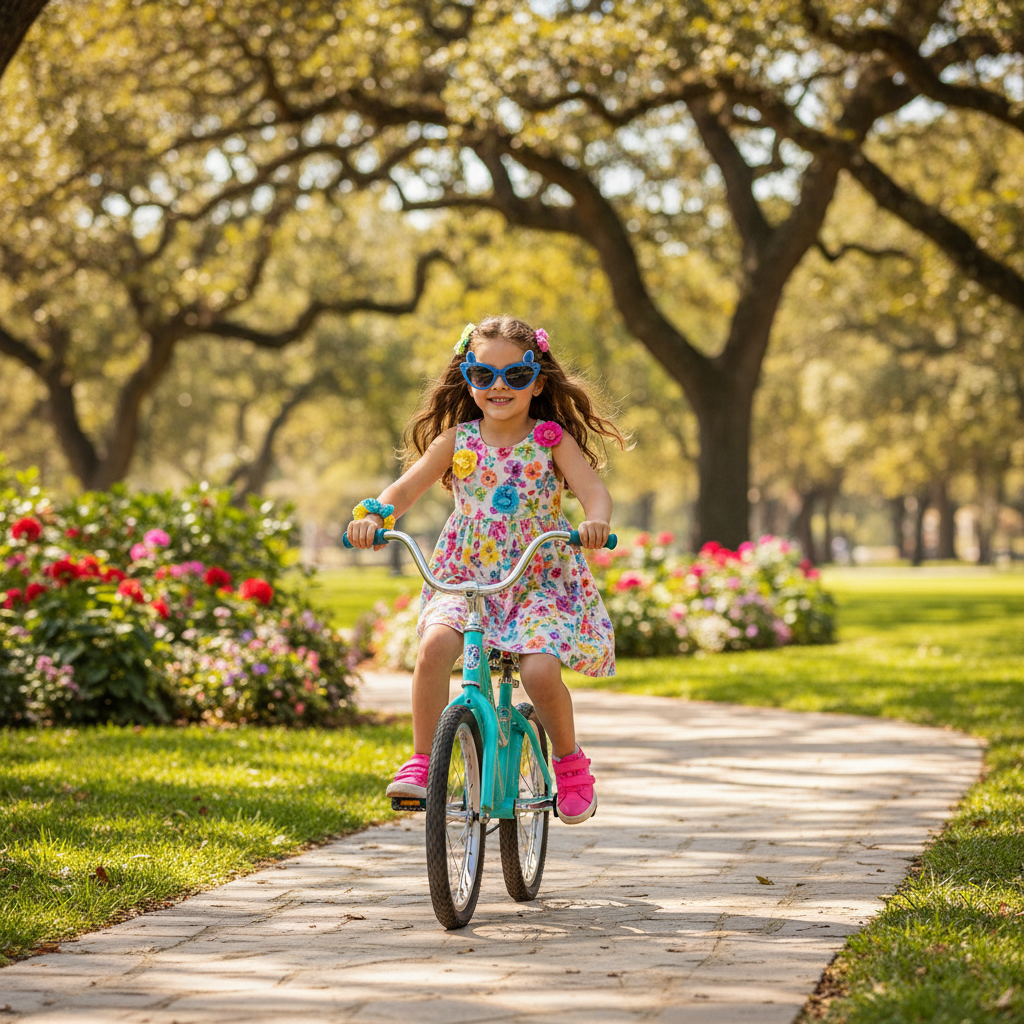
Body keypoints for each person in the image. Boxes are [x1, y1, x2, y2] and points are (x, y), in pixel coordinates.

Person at [346, 315, 627, 824]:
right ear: (468, 378)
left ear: (537, 382)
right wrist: (374, 516)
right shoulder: (456, 440)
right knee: (435, 646)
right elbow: (404, 490)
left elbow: (593, 491)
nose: (499, 386)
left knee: (539, 670)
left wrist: (596, 521)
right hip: (466, 577)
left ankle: (569, 762)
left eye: (515, 375)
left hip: (537, 579)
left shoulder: (550, 439)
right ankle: (422, 760)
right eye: (483, 374)